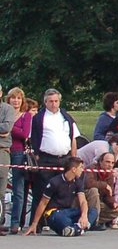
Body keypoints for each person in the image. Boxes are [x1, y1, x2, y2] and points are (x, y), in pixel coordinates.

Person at [23, 156, 93, 237]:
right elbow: (43, 203)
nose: (82, 170)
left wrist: (84, 215)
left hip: (68, 211)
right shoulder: (54, 182)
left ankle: (73, 229)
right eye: (80, 167)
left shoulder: (78, 182)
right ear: (74, 169)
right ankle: (78, 228)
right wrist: (34, 223)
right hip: (54, 213)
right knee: (62, 219)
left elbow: (83, 201)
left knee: (92, 211)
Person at [3, 87, 26, 234]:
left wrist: (8, 126)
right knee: (2, 187)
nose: (16, 101)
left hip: (18, 152)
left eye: (18, 98)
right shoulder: (3, 111)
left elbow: (24, 134)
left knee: (18, 188)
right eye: (13, 98)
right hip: (4, 150)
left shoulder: (25, 116)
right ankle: (1, 219)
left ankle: (15, 222)